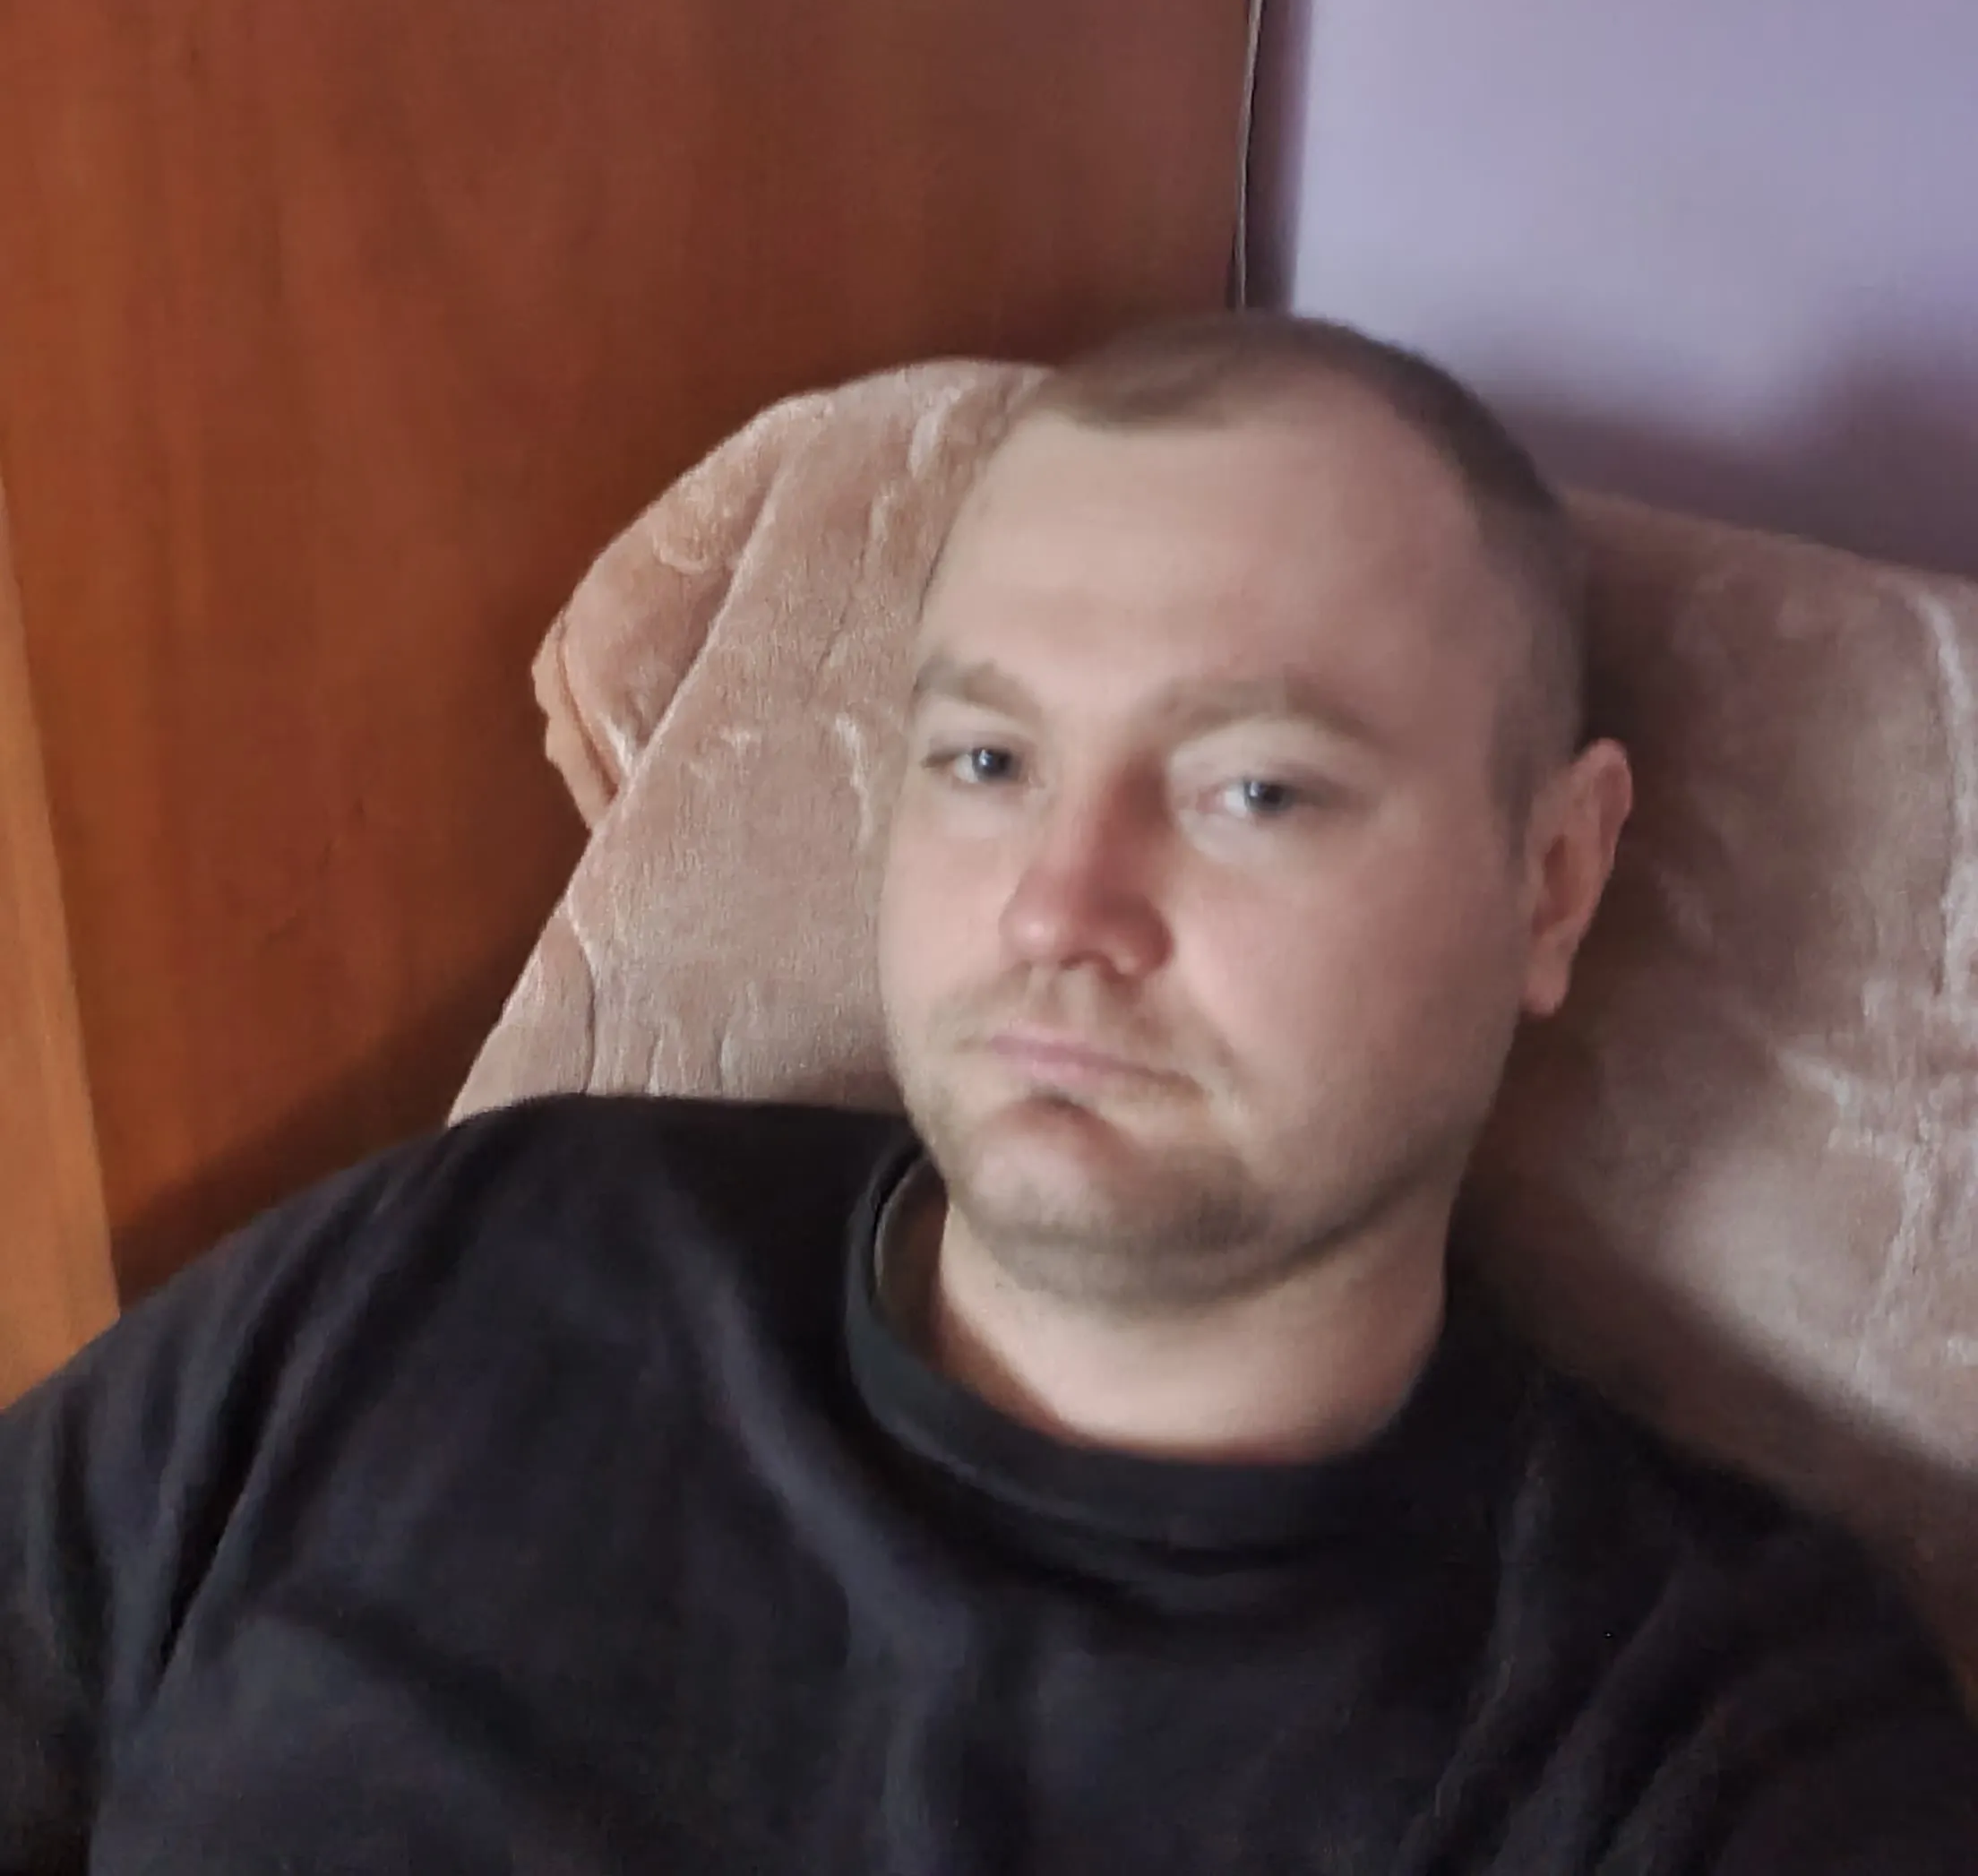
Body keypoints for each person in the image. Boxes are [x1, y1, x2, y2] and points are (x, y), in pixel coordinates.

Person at [3, 314, 1974, 1874]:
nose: (1058, 906)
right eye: (986, 762)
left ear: (1550, 877)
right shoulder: (471, 1255)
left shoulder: (1708, 1742)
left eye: (1253, 787)